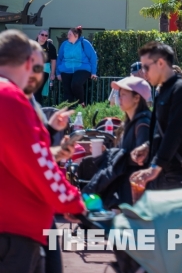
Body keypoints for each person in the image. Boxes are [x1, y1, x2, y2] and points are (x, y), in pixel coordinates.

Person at [0, 29, 84, 273]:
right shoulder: (10, 97)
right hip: (14, 230)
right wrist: (73, 202)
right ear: (28, 62)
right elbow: (37, 163)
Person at [130, 41, 182, 273]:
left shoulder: (181, 90)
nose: (143, 73)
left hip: (179, 177)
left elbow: (175, 133)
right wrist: (147, 147)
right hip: (165, 177)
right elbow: (160, 131)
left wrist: (155, 165)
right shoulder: (162, 91)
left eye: (147, 67)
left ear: (161, 63)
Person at [84, 75, 151, 207]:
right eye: (119, 94)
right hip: (125, 190)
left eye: (124, 94)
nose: (119, 98)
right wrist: (107, 153)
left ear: (137, 98)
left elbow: (141, 159)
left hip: (134, 193)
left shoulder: (143, 124)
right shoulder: (128, 123)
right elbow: (125, 154)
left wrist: (113, 156)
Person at [56, 27, 97, 104]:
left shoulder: (84, 43)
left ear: (76, 35)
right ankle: (68, 113)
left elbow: (93, 57)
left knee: (76, 84)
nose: (67, 36)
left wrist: (93, 72)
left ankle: (81, 103)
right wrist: (58, 73)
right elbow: (59, 59)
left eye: (70, 34)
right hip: (66, 70)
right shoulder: (64, 44)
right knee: (67, 93)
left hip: (82, 69)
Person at [35, 29, 57, 99]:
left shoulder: (50, 46)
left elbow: (53, 60)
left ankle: (37, 108)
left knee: (37, 89)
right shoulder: (32, 44)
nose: (44, 36)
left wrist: (53, 73)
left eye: (46, 35)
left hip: (45, 70)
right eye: (42, 34)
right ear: (38, 35)